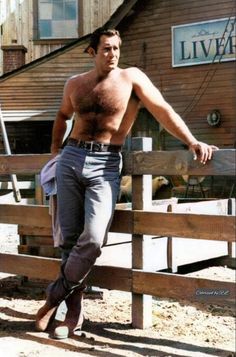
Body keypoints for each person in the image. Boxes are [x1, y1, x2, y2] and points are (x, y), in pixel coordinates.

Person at [35, 27, 218, 339]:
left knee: (92, 239)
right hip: (71, 160)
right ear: (92, 52)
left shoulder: (131, 78)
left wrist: (191, 141)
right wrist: (56, 152)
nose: (113, 54)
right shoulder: (75, 84)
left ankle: (54, 297)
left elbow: (162, 110)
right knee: (69, 241)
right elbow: (63, 116)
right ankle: (72, 316)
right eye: (106, 48)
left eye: (116, 48)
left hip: (106, 163)